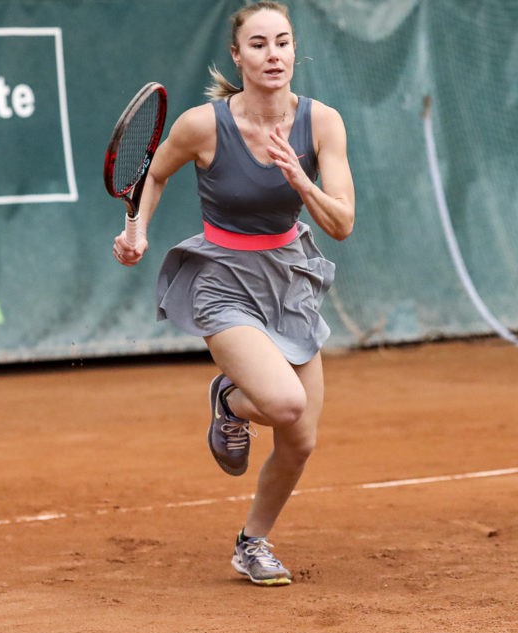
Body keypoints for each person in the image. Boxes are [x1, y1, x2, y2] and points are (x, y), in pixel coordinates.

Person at [112, 1, 355, 587]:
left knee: (300, 442)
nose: (274, 54)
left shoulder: (322, 123)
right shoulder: (202, 125)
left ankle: (253, 543)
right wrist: (135, 228)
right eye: (260, 44)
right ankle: (229, 400)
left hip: (290, 279)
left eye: (283, 42)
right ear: (238, 56)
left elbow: (342, 223)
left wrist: (300, 179)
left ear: (295, 50)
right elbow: (155, 173)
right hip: (223, 280)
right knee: (284, 405)